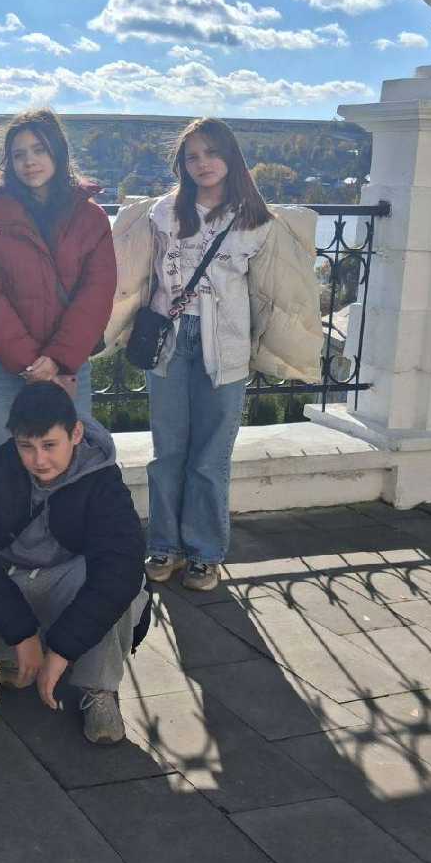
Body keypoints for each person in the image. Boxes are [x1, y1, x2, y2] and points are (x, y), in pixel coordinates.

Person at [101, 117, 322, 592]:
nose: (203, 163)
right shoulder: (160, 214)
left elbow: (270, 294)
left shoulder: (256, 221)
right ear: (181, 164)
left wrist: (281, 347)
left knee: (211, 455)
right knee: (168, 451)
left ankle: (204, 552)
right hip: (168, 339)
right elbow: (136, 276)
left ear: (231, 157)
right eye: (193, 156)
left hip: (226, 343)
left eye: (212, 152)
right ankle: (164, 543)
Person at [0, 381, 148, 745]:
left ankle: (98, 687)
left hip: (70, 577)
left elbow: (121, 568)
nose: (39, 460)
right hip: (8, 576)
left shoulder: (102, 476)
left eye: (49, 445)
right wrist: (21, 633)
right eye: (26, 446)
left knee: (121, 586)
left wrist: (64, 649)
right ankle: (25, 650)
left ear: (75, 434)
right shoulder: (0, 467)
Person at [0, 108, 115, 455]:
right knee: (4, 463)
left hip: (69, 366)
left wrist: (57, 359)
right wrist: (30, 363)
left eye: (39, 150)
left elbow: (96, 294)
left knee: (69, 462)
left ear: (57, 152)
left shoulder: (90, 218)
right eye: (19, 154)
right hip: (7, 367)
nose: (29, 161)